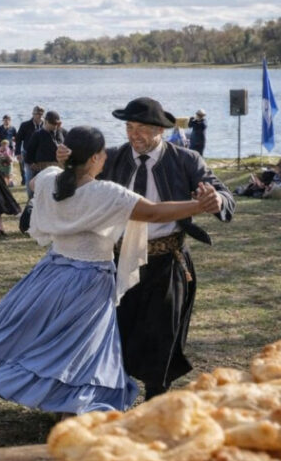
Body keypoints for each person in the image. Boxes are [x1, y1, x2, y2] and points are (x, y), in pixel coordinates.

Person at [0, 126, 222, 414]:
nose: (106, 157)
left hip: (50, 274)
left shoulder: (49, 180)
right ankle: (73, 404)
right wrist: (198, 205)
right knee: (83, 348)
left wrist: (64, 164)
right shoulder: (105, 193)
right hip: (89, 280)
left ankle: (57, 400)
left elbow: (35, 185)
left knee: (47, 338)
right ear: (95, 158)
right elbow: (154, 212)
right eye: (102, 153)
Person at [93, 97, 234, 399]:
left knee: (161, 334)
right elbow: (82, 182)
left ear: (159, 129)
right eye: (130, 127)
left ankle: (157, 396)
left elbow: (222, 192)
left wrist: (216, 200)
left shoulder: (185, 159)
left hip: (166, 261)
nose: (134, 134)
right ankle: (113, 395)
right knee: (117, 329)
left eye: (142, 128)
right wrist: (71, 159)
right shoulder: (113, 158)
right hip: (116, 260)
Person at [22, 110, 67, 199]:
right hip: (43, 168)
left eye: (56, 124)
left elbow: (69, 144)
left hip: (59, 168)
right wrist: (31, 163)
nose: (55, 126)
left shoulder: (62, 132)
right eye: (53, 124)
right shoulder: (37, 134)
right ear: (46, 121)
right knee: (40, 193)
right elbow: (29, 152)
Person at [14, 106, 45, 187]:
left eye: (41, 114)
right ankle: (30, 197)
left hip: (42, 155)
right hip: (28, 154)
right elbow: (18, 139)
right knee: (30, 176)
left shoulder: (46, 125)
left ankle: (39, 196)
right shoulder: (25, 125)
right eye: (37, 114)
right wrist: (18, 153)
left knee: (42, 176)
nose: (39, 116)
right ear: (33, 114)